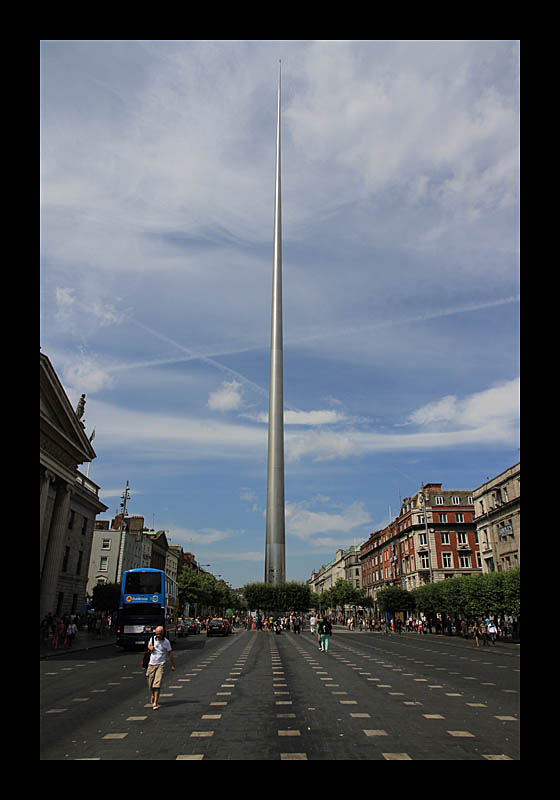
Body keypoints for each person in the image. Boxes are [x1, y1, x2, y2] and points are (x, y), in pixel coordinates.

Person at [146, 626, 175, 710]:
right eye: (157, 634)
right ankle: (153, 694)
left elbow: (170, 654)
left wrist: (172, 665)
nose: (158, 635)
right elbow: (148, 645)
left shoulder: (166, 642)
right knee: (150, 684)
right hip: (151, 664)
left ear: (163, 633)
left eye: (160, 634)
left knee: (157, 685)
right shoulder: (152, 639)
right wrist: (150, 648)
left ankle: (155, 702)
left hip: (160, 664)